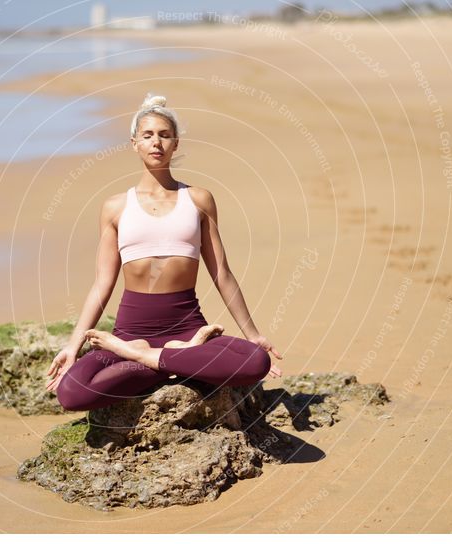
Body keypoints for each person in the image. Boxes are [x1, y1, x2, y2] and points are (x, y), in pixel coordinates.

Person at [45, 93, 282, 411]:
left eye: (164, 135)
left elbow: (221, 272)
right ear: (134, 143)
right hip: (130, 332)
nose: (156, 142)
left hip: (188, 328)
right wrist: (72, 346)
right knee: (72, 393)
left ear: (176, 143)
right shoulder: (115, 207)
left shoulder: (199, 200)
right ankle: (172, 359)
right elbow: (103, 282)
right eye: (147, 135)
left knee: (256, 361)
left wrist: (253, 334)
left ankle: (146, 359)